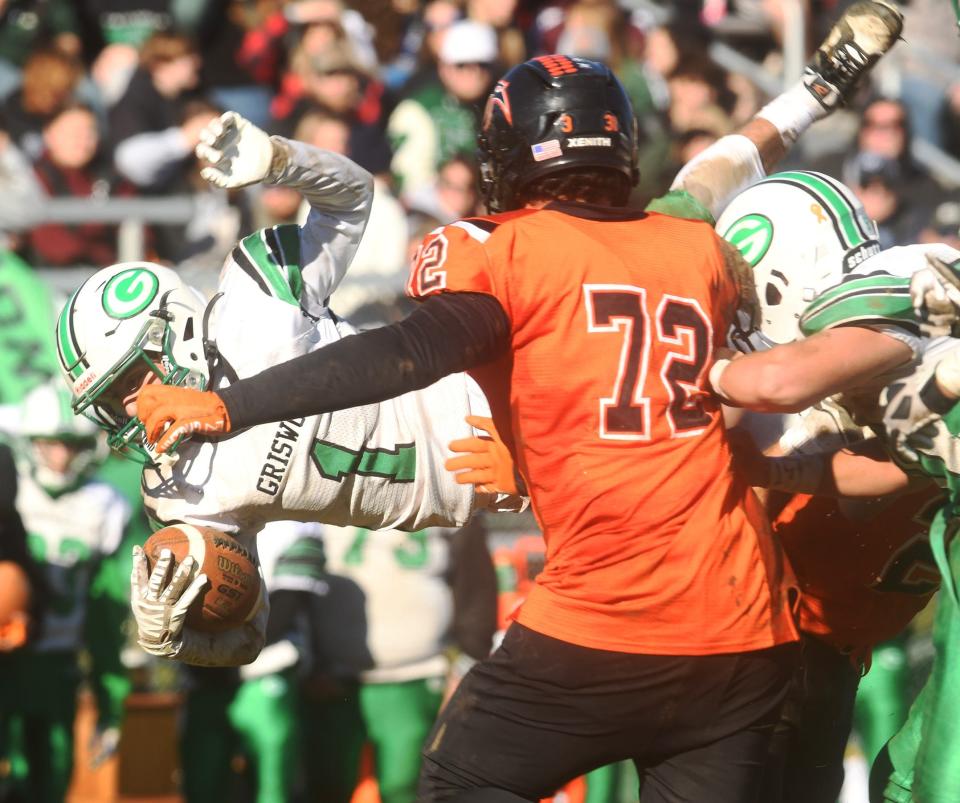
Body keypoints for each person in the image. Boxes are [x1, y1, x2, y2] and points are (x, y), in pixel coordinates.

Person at [132, 6, 906, 799]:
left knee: (455, 785)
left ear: (510, 157)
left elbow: (404, 353)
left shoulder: (514, 251)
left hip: (608, 616)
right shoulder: (692, 247)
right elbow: (718, 173)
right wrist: (817, 91)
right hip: (745, 628)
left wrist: (232, 407)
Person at [55, 110, 521, 668]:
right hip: (474, 497)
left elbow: (352, 198)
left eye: (131, 381)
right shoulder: (174, 489)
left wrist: (281, 159)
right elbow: (248, 636)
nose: (130, 406)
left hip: (497, 405)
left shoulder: (258, 299)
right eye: (112, 402)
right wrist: (173, 637)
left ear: (171, 327)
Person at [0, 382, 131, 803]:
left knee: (51, 782)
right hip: (6, 661)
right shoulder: (8, 490)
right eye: (50, 444)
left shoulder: (104, 505)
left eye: (72, 444)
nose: (61, 457)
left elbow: (104, 615)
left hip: (57, 666)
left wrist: (111, 700)